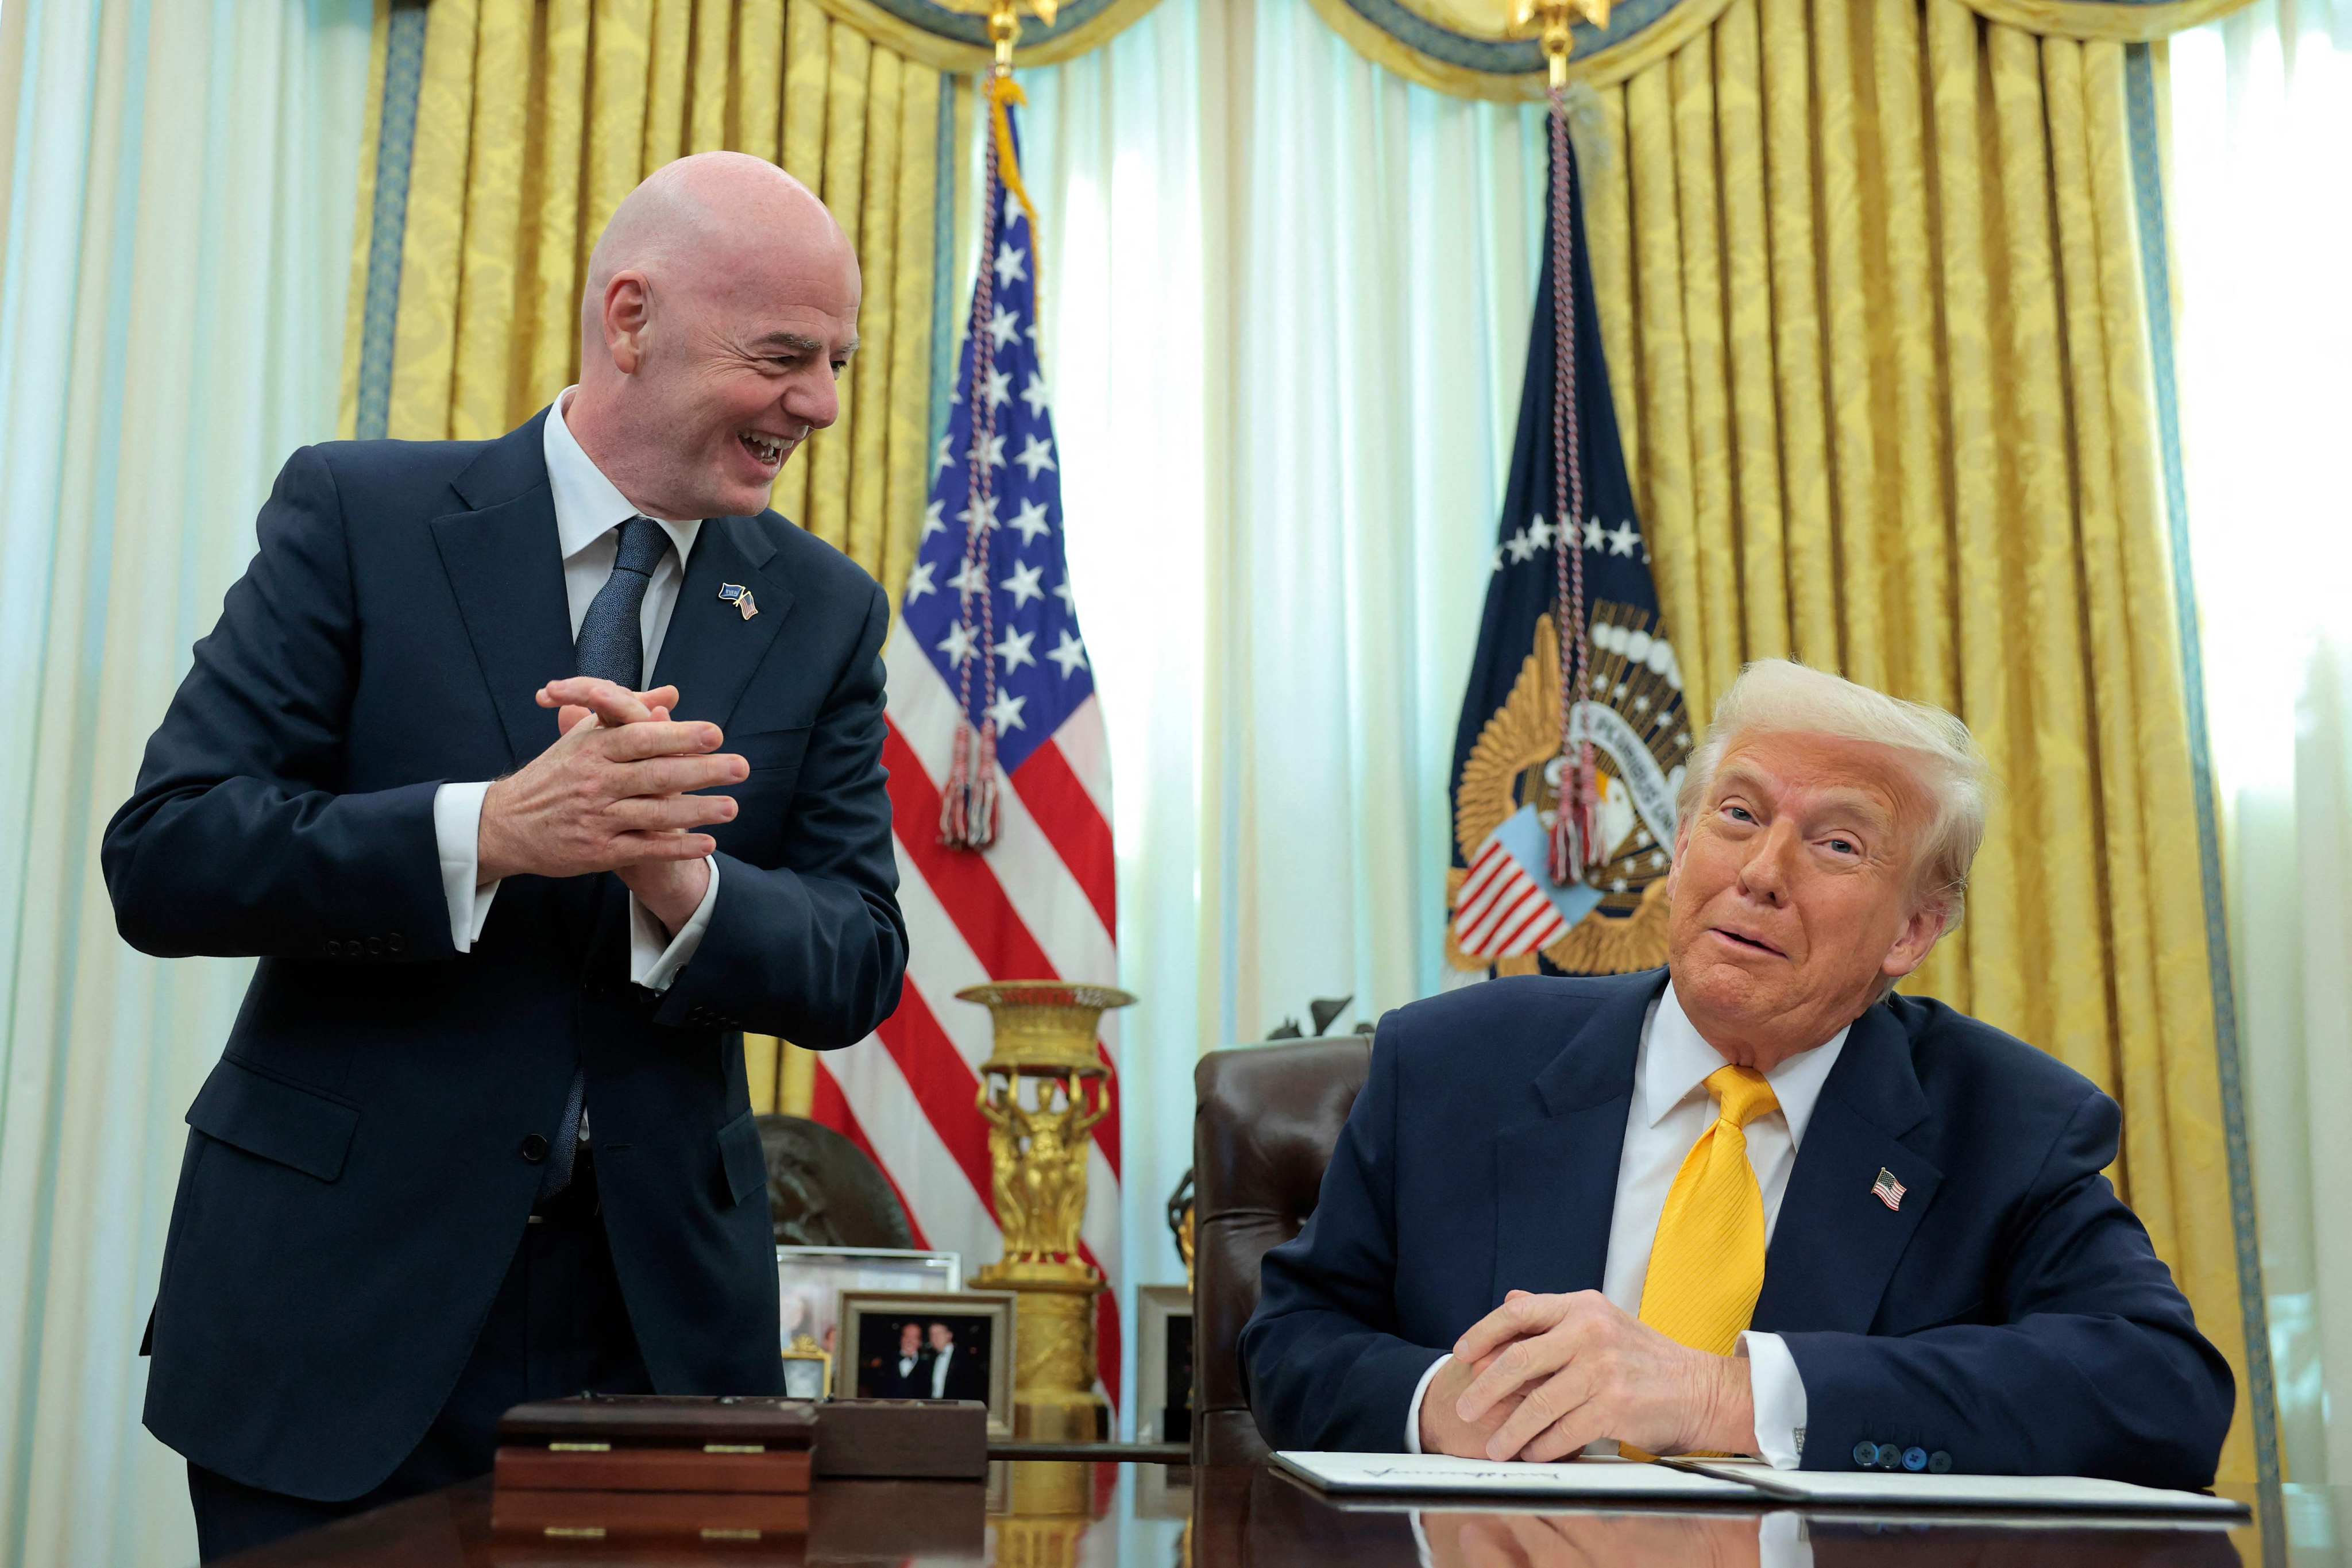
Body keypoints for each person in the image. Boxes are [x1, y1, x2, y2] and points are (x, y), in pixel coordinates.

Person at [103, 152, 907, 1559]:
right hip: (343, 1317)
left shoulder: (825, 611)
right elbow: (168, 855)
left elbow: (859, 958)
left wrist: (686, 889)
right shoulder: (361, 519)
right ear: (630, 317)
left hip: (658, 1334)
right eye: (783, 356)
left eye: (837, 361)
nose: (820, 406)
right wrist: (486, 833)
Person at [1242, 661, 2234, 1490]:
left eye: (1836, 843)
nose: (1761, 871)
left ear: (1914, 930)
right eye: (1736, 814)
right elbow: (1293, 1340)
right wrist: (1436, 1408)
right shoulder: (1450, 1064)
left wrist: (1725, 1397)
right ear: (1678, 851)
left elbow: (2162, 1393)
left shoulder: (2009, 1125)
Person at [925, 1321, 987, 1403]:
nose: (935, 1338)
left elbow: (974, 1388)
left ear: (949, 1335)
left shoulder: (965, 1358)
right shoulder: (930, 1360)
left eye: (939, 1333)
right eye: (932, 1334)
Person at [880, 1322, 930, 1399]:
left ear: (920, 1342)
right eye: (906, 1336)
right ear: (901, 1339)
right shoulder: (886, 1362)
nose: (909, 1341)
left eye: (914, 1337)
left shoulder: (928, 1366)